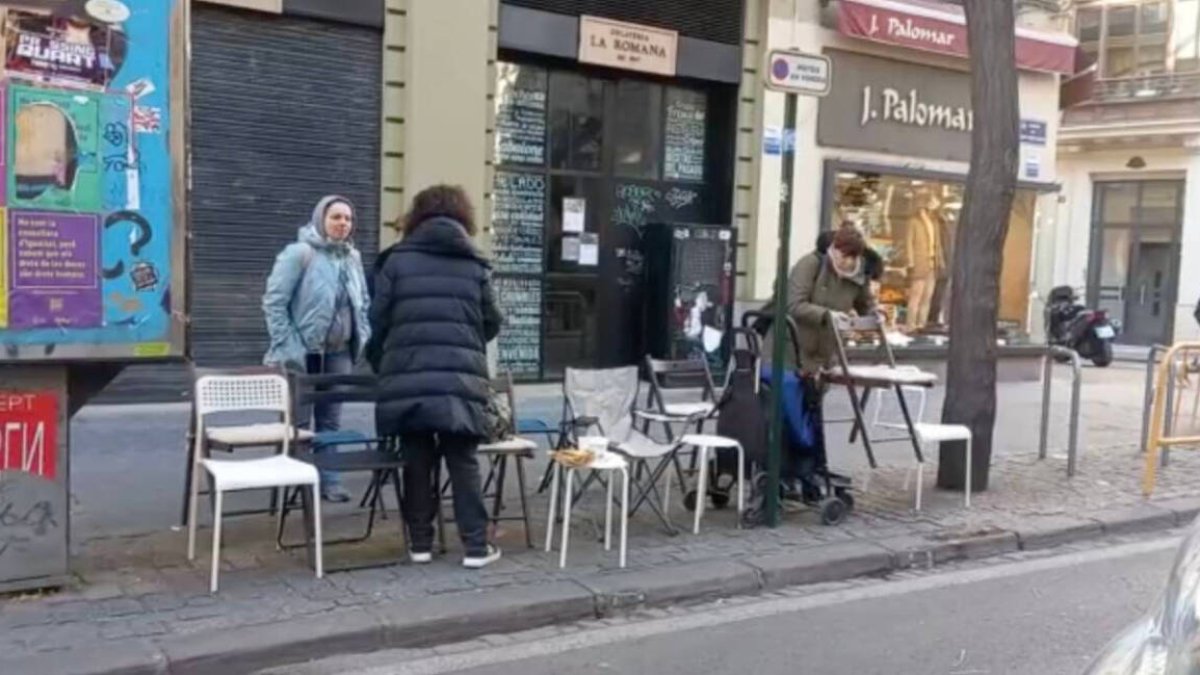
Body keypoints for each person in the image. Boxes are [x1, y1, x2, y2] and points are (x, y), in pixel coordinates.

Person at [368, 185, 504, 569]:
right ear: (463, 216)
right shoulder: (474, 262)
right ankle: (475, 548)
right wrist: (465, 343)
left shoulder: (395, 261)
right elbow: (492, 321)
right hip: (460, 381)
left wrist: (386, 360)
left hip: (408, 376)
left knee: (416, 460)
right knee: (463, 462)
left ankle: (421, 545)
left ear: (416, 216)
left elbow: (377, 319)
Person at [262, 195, 371, 503]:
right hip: (304, 353)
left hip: (339, 352)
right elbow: (274, 303)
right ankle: (299, 482)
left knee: (331, 419)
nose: (343, 223)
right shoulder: (300, 253)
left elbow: (362, 301)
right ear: (320, 219)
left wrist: (362, 333)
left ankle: (329, 480)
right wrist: (290, 346)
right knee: (298, 421)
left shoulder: (352, 258)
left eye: (348, 218)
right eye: (336, 217)